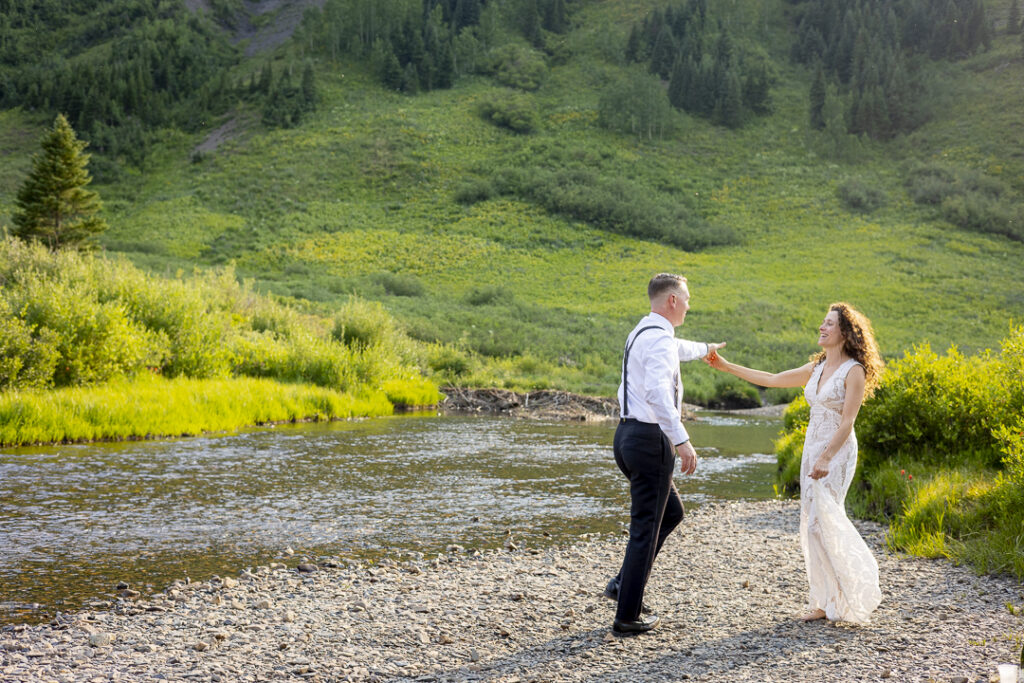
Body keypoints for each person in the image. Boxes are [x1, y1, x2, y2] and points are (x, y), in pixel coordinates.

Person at [705, 302, 884, 623]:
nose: (822, 327)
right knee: (812, 525)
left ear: (845, 333)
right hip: (812, 448)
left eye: (829, 324)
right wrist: (727, 367)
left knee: (823, 521)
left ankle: (851, 594)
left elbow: (848, 422)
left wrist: (827, 457)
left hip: (837, 452)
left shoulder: (853, 370)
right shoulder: (816, 367)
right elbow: (772, 378)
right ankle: (824, 602)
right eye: (823, 322)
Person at [607, 273, 724, 635]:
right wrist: (682, 440)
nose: (689, 305)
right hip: (650, 441)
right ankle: (627, 616)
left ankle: (622, 584)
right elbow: (657, 393)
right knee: (645, 528)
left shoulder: (643, 332)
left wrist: (706, 348)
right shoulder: (659, 340)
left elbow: (678, 348)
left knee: (671, 513)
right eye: (686, 299)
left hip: (626, 437)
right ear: (672, 300)